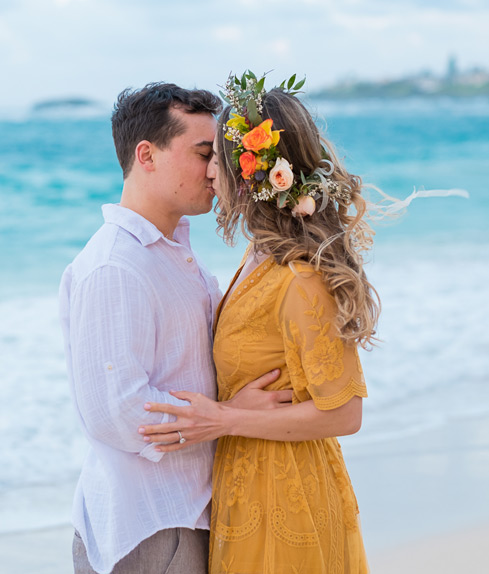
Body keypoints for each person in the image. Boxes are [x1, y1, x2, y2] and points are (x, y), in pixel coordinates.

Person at [139, 72, 374, 573]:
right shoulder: (260, 256)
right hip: (242, 488)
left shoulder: (301, 278)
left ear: (251, 174)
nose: (208, 176)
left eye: (215, 162)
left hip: (289, 497)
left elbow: (345, 413)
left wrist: (224, 419)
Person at [60, 82, 289, 574]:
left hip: (186, 512)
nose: (214, 170)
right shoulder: (114, 266)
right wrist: (229, 416)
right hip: (149, 526)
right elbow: (117, 412)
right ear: (147, 155)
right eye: (203, 153)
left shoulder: (172, 252)